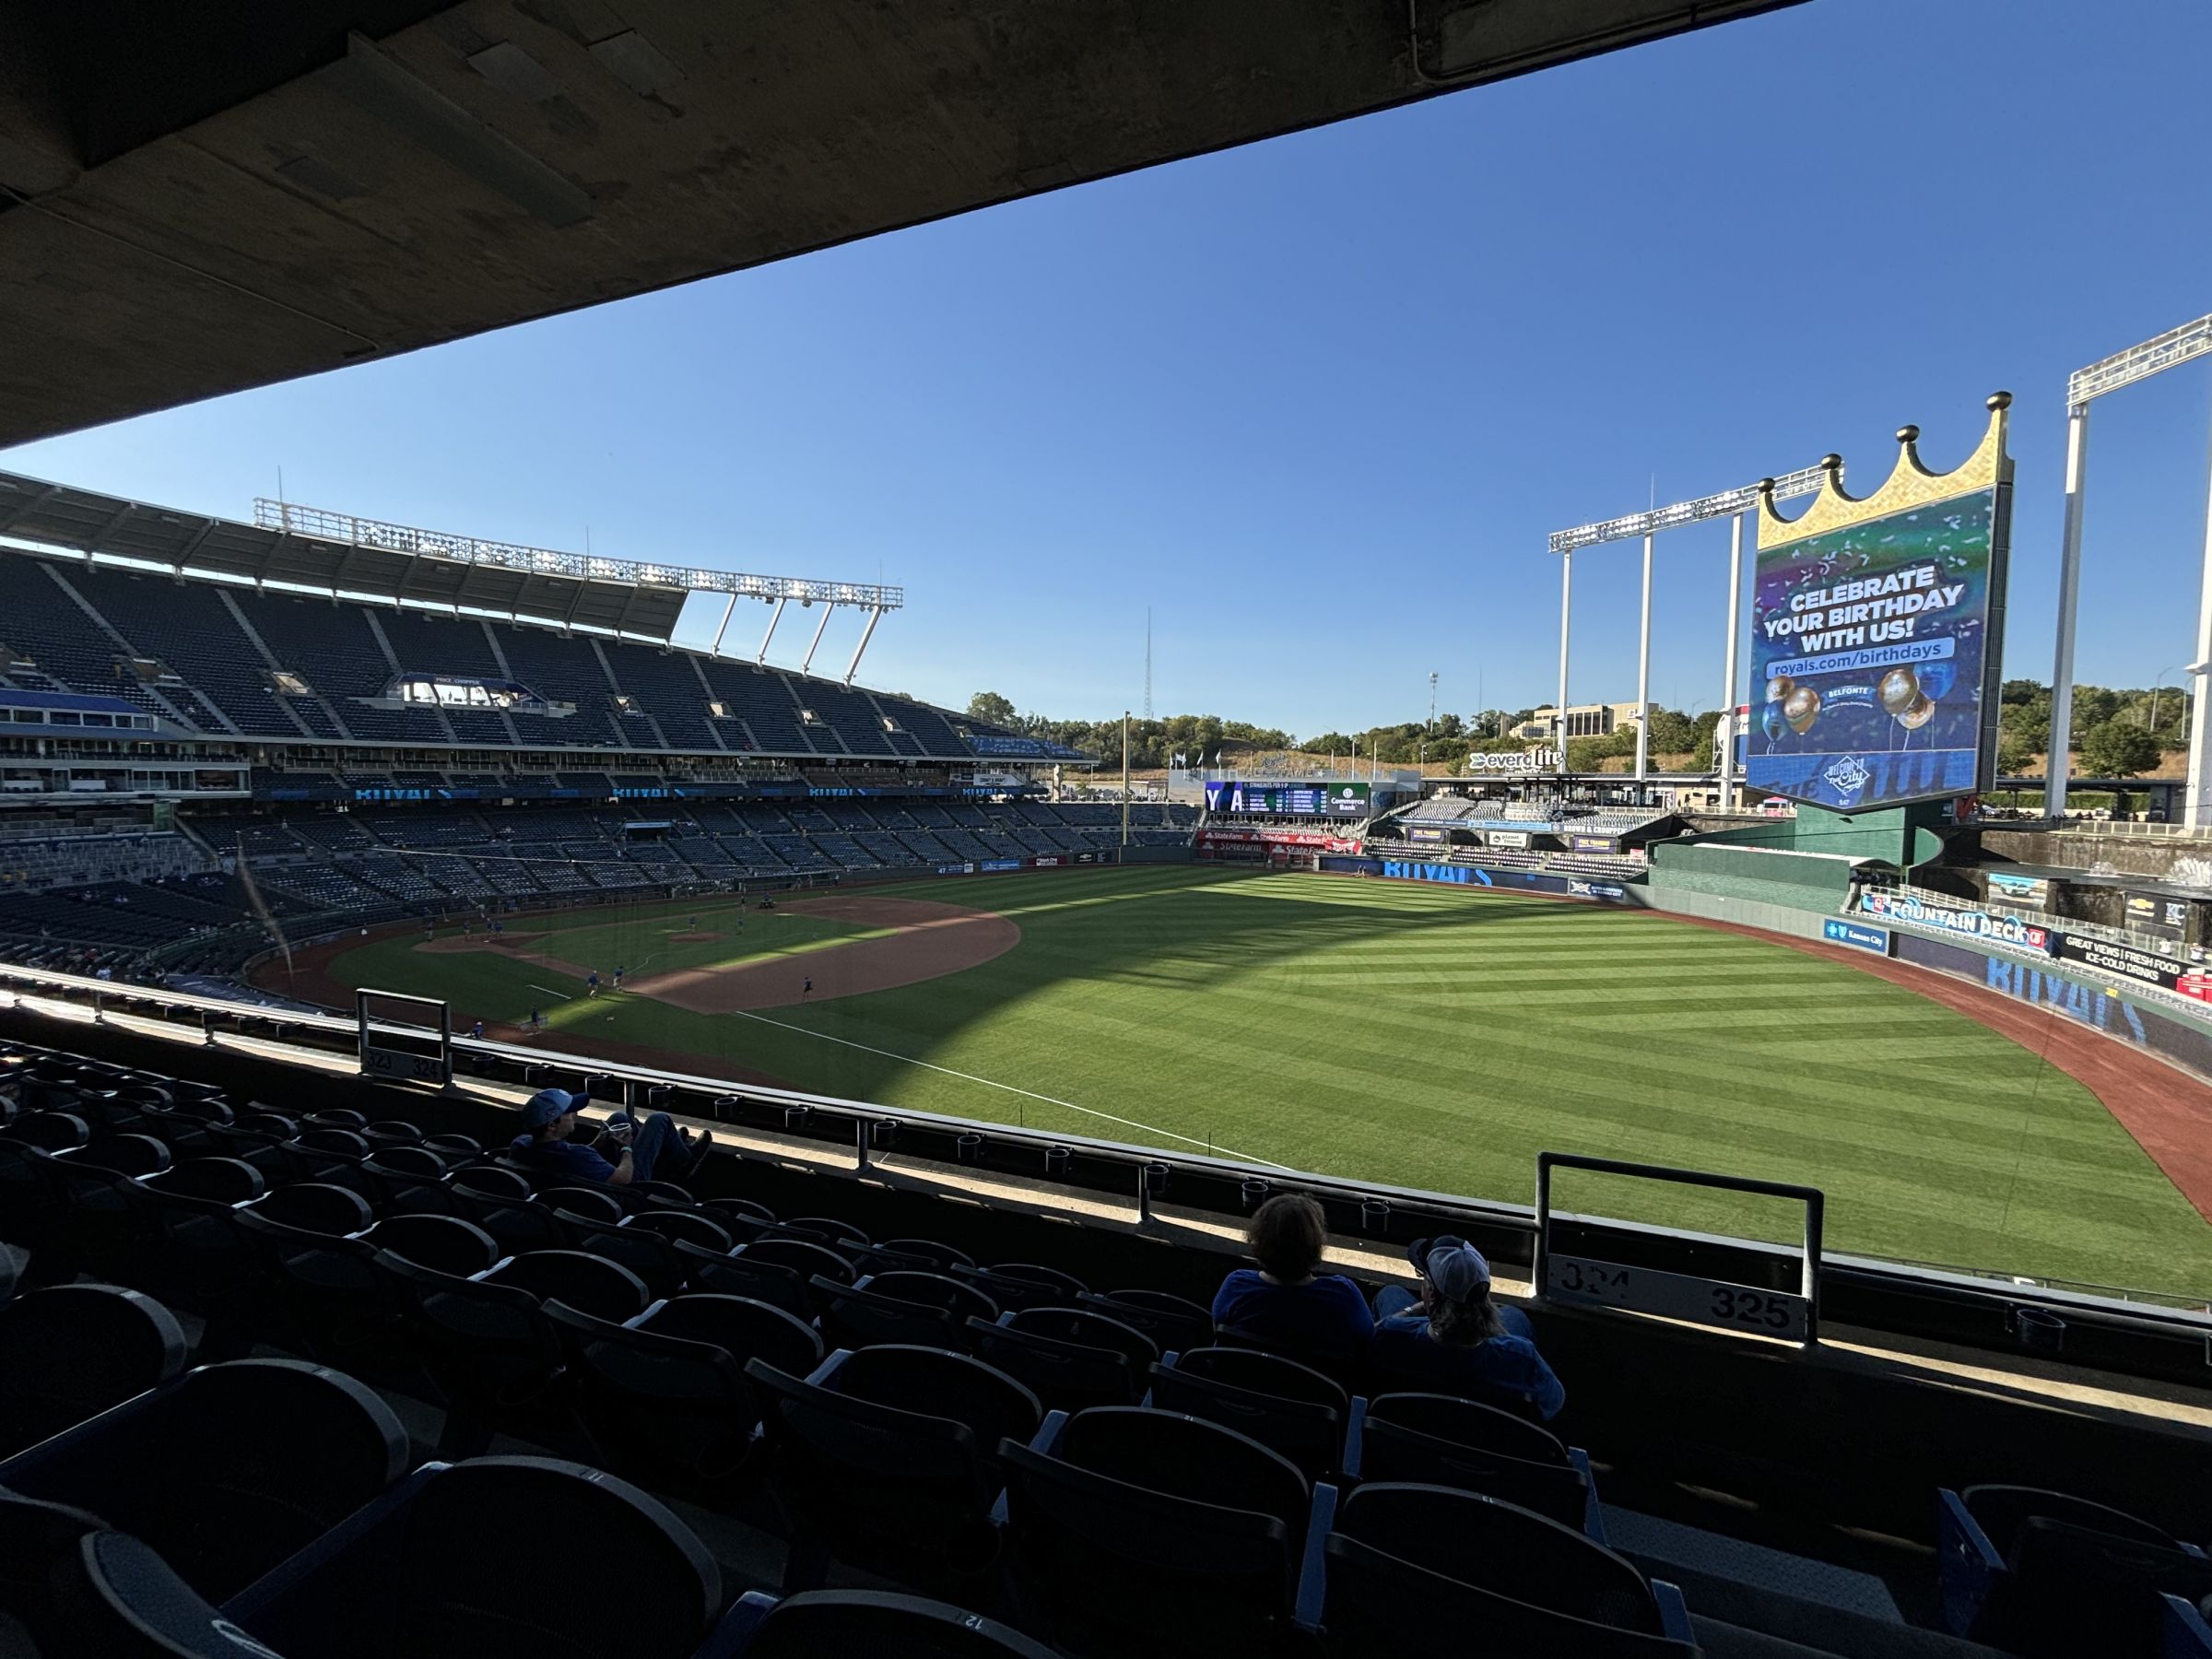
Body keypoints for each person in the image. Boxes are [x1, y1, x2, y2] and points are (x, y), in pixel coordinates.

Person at [1372, 1237, 1565, 1420]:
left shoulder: (1392, 1333)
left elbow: (1368, 1339)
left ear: (1431, 1293)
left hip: (1412, 1435)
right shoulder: (1523, 1357)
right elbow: (1553, 1404)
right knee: (1514, 1316)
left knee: (1391, 1294)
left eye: (1423, 1277)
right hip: (1485, 1445)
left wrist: (1413, 1310)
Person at [1211, 1194, 1373, 1360]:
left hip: (1243, 1382)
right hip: (1318, 1385)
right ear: (1316, 1245)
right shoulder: (1344, 1295)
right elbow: (1368, 1342)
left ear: (1257, 1240)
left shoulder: (1236, 1286)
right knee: (1391, 1293)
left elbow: (1219, 1331)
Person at [507, 1088, 711, 1187]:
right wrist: (626, 1149)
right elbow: (623, 1179)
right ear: (552, 1125)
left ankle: (670, 1146)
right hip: (630, 1186)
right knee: (659, 1120)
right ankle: (685, 1162)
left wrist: (596, 1144)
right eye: (569, 1113)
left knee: (619, 1118)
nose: (575, 1115)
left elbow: (571, 1159)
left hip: (573, 1178)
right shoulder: (579, 1155)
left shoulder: (520, 1144)